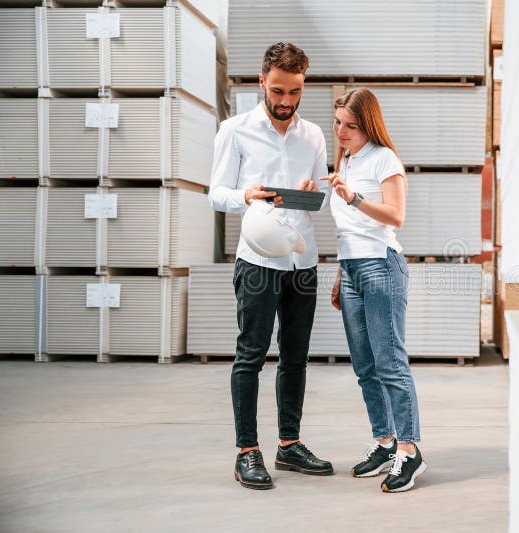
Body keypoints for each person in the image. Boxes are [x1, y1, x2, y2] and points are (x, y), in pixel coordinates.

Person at [209, 42, 333, 491]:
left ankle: (289, 445)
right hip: (258, 261)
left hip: (302, 259)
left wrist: (314, 192)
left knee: (295, 358)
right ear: (262, 81)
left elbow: (323, 198)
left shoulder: (313, 135)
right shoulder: (235, 131)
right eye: (278, 90)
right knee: (251, 356)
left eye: (294, 92)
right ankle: (247, 450)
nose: (285, 101)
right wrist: (246, 195)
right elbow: (216, 194)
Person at [322, 87, 427, 493]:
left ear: (368, 124)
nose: (341, 131)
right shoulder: (346, 161)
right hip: (351, 269)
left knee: (390, 363)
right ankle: (385, 442)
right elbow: (348, 230)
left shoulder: (384, 158)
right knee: (365, 365)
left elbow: (396, 216)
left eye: (350, 125)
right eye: (337, 123)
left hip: (381, 266)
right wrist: (340, 274)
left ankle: (410, 450)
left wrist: (354, 197)